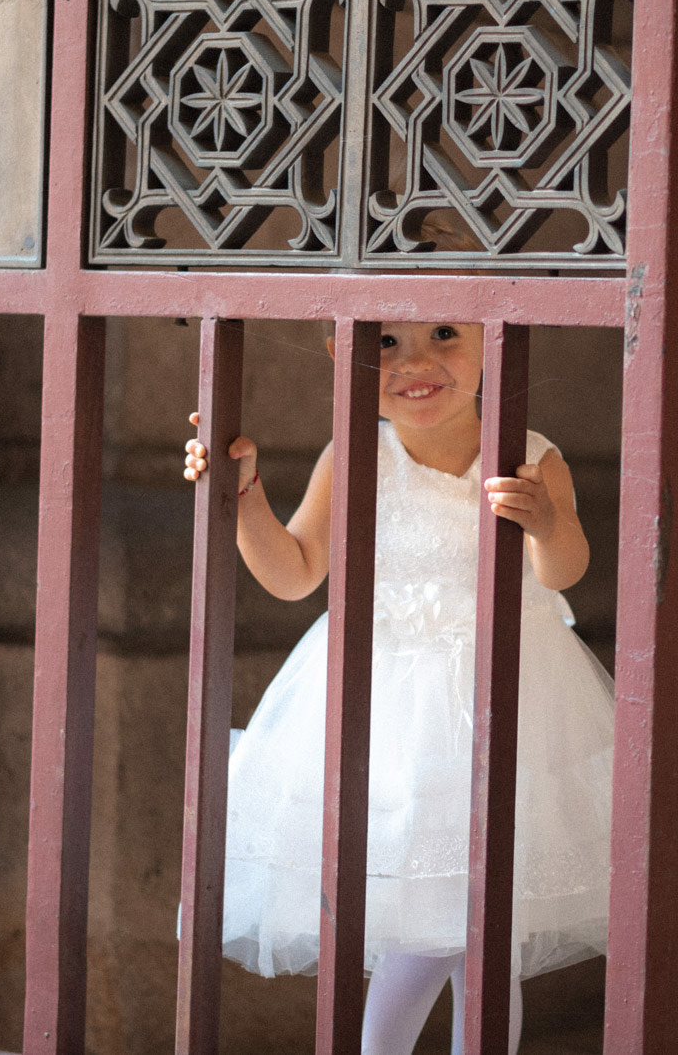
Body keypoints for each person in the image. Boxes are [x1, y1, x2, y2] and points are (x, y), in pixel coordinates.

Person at [182, 320, 616, 1055]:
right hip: (385, 712)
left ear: (493, 338)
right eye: (386, 342)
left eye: (444, 334)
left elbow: (562, 571)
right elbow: (294, 572)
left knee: (485, 934)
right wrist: (244, 494)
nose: (416, 362)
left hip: (508, 700)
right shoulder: (355, 457)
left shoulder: (531, 456)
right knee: (439, 923)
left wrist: (545, 522)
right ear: (343, 353)